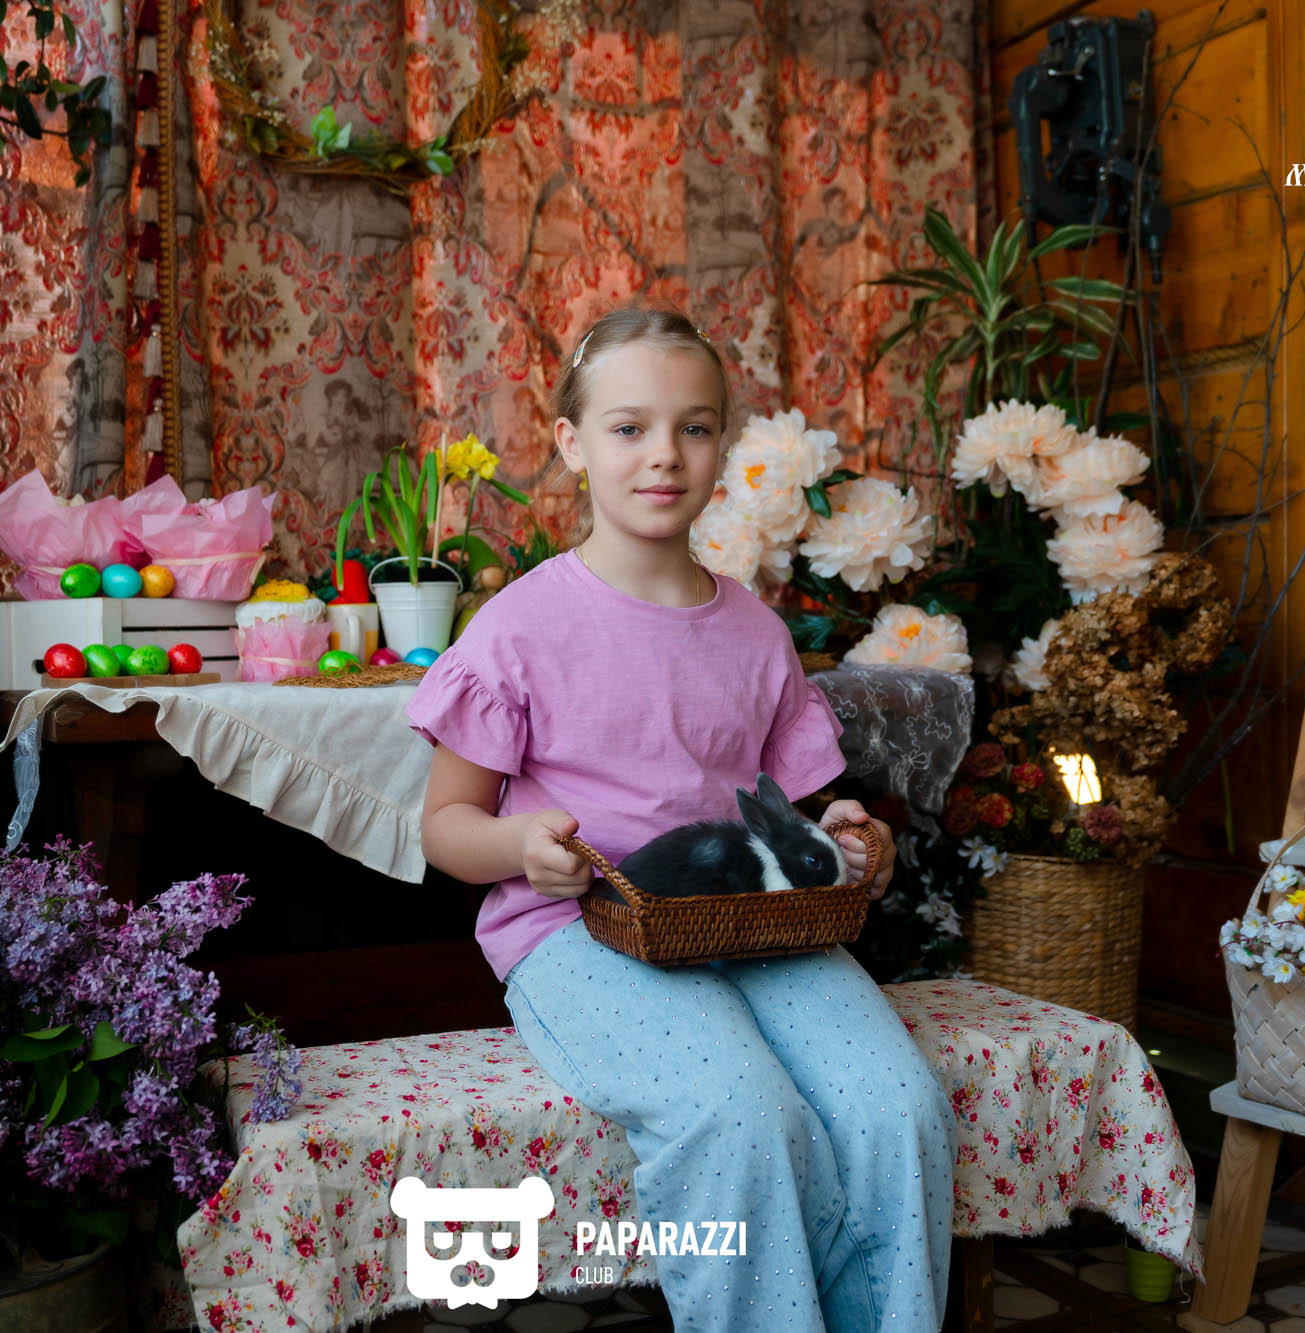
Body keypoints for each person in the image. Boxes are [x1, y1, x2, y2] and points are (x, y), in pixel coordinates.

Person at [405, 306, 955, 1332]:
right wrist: (519, 845)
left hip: (752, 922)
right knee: (738, 1110)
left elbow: (787, 808)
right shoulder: (518, 627)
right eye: (628, 427)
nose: (663, 454)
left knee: (897, 1104)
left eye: (694, 427)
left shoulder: (753, 629)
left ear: (721, 445)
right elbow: (445, 825)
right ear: (570, 443)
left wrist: (841, 832)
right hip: (581, 934)